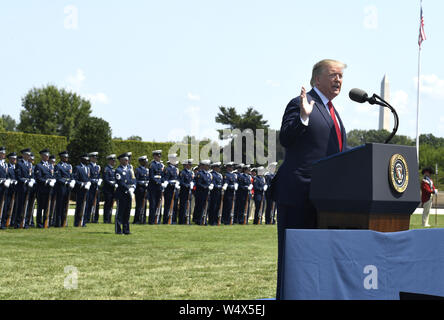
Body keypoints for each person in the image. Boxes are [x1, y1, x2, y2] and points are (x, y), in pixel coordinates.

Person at [272, 59, 348, 299]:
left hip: (324, 199)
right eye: (333, 75)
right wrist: (303, 118)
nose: (339, 80)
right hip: (298, 195)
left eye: (341, 76)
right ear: (317, 79)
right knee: (294, 261)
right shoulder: (301, 104)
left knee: (316, 262)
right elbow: (286, 138)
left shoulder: (333, 112)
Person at [34, 149, 56, 228]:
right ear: (42, 156)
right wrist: (47, 181)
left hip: (49, 189)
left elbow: (53, 175)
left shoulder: (50, 166)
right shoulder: (39, 166)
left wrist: (53, 180)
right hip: (42, 189)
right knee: (40, 207)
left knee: (48, 206)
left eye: (48, 156)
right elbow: (38, 178)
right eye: (45, 156)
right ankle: (39, 223)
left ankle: (47, 222)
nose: (47, 157)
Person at [114, 153, 136, 235]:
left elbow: (134, 179)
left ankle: (126, 230)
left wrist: (133, 187)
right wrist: (128, 188)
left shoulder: (130, 169)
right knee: (120, 212)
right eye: (125, 160)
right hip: (121, 194)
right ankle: (118, 230)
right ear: (121, 161)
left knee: (127, 212)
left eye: (127, 160)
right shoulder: (118, 170)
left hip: (129, 193)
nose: (127, 161)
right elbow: (120, 182)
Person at [14, 148, 35, 229]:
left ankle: (25, 223)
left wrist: (32, 179)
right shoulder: (19, 164)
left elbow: (31, 175)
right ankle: (18, 223)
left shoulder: (30, 164)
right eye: (27, 154)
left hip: (29, 188)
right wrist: (26, 181)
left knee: (28, 205)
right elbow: (18, 177)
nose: (28, 156)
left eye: (29, 154)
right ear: (23, 155)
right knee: (20, 206)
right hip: (22, 187)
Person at [54, 151, 76, 227]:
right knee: (60, 205)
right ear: (61, 157)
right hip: (61, 188)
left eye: (67, 157)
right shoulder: (58, 166)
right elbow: (58, 178)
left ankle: (64, 221)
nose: (66, 158)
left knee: (66, 205)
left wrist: (73, 180)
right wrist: (66, 182)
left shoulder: (69, 166)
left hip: (67, 188)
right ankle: (58, 222)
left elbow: (71, 175)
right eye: (65, 157)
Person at [73, 154, 91, 227]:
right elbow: (75, 179)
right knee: (79, 206)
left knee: (86, 206)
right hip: (80, 190)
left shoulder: (88, 168)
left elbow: (88, 178)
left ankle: (83, 221)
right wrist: (82, 184)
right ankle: (77, 222)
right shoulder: (77, 168)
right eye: (85, 159)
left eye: (87, 159)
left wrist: (89, 182)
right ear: (82, 160)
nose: (87, 161)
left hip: (87, 189)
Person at [193, 160, 213, 225]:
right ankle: (199, 220)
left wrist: (211, 185)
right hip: (201, 193)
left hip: (207, 192)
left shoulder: (209, 174)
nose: (208, 167)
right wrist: (207, 187)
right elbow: (198, 183)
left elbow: (209, 182)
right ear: (204, 166)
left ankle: (204, 219)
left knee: (206, 206)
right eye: (207, 165)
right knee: (200, 206)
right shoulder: (200, 173)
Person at [161, 154, 180, 224]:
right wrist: (169, 182)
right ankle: (166, 220)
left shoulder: (176, 169)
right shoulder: (167, 169)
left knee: (175, 205)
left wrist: (178, 182)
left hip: (175, 189)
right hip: (169, 189)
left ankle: (173, 220)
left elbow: (178, 178)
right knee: (168, 205)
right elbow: (165, 178)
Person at [148, 150, 164, 224]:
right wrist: (158, 182)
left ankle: (158, 219)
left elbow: (163, 176)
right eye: (157, 156)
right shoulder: (152, 165)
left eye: (159, 156)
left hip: (159, 187)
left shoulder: (161, 165)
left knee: (159, 203)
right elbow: (151, 176)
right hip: (153, 187)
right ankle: (151, 220)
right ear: (154, 156)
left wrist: (163, 182)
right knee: (153, 204)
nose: (159, 157)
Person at [86, 152, 102, 223]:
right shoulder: (89, 166)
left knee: (97, 203)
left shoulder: (97, 167)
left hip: (96, 187)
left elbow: (98, 176)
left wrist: (100, 180)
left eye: (96, 158)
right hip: (91, 187)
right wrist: (94, 181)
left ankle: (95, 218)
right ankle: (87, 218)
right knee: (89, 202)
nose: (95, 159)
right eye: (94, 158)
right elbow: (88, 177)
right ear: (91, 158)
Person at [133, 155, 149, 224]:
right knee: (139, 205)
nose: (146, 163)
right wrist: (143, 183)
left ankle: (143, 219)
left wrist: (147, 182)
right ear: (141, 162)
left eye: (146, 161)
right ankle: (137, 219)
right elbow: (136, 180)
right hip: (139, 189)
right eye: (144, 161)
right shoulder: (138, 170)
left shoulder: (147, 170)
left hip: (145, 190)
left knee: (144, 205)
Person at [178, 159, 194, 224]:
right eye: (189, 164)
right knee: (183, 206)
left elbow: (193, 180)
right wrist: (188, 185)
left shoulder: (191, 172)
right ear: (185, 165)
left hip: (189, 191)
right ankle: (182, 220)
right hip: (184, 191)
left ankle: (188, 220)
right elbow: (181, 182)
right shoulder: (183, 172)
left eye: (190, 164)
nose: (190, 166)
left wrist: (193, 183)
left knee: (189, 205)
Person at [102, 154, 117, 224]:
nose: (114, 162)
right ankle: (106, 219)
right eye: (113, 160)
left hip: (112, 190)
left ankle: (109, 218)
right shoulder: (106, 169)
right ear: (109, 161)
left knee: (111, 204)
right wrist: (113, 184)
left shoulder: (113, 169)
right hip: (108, 189)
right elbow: (106, 180)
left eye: (114, 160)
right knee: (107, 204)